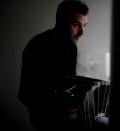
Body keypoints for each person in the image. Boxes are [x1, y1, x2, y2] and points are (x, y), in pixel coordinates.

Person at [18, 0, 88, 130]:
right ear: (61, 21)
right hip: (46, 122)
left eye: (84, 26)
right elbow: (25, 94)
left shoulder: (72, 47)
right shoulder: (36, 45)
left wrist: (77, 107)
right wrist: (56, 110)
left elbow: (69, 85)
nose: (82, 32)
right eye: (76, 25)